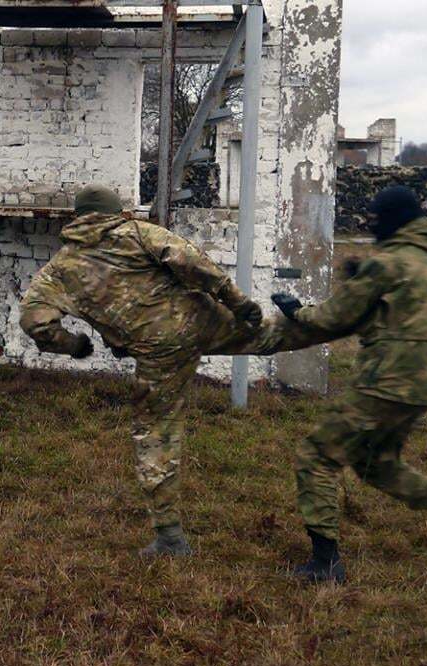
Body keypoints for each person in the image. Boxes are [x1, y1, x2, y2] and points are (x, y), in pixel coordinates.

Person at [19, 185, 326, 558]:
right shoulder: (138, 232)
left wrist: (76, 346)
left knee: (157, 437)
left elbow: (36, 322)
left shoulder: (59, 271)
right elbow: (190, 261)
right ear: (117, 211)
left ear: (77, 218)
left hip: (159, 352)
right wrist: (236, 300)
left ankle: (170, 539)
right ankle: (347, 318)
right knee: (270, 335)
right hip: (200, 320)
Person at [271, 185, 427, 584]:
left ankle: (325, 563)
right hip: (419, 387)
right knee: (376, 464)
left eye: (375, 220)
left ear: (391, 221)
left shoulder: (386, 264)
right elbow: (396, 314)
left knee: (317, 456)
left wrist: (296, 311)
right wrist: (362, 282)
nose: (372, 227)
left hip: (382, 383)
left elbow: (335, 319)